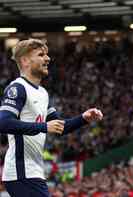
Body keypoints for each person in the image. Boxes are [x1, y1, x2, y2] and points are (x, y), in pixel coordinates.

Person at [0, 38, 103, 197]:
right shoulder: (17, 88)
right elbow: (3, 122)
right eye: (41, 55)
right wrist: (43, 127)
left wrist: (83, 118)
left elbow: (59, 127)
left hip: (33, 172)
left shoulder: (42, 93)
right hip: (21, 172)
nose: (47, 59)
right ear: (25, 61)